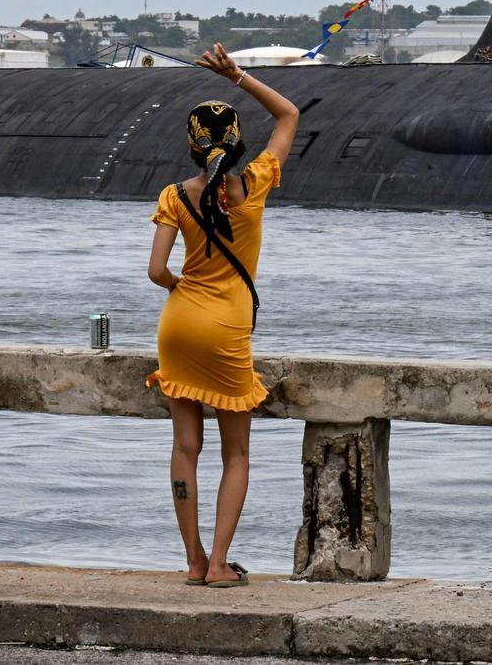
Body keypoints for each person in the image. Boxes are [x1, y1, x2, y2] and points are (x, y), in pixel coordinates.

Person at [145, 43, 299, 588]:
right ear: (236, 147)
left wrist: (183, 288)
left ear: (191, 147)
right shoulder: (253, 187)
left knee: (186, 448)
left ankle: (191, 560)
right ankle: (218, 565)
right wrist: (238, 77)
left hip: (178, 326)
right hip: (227, 331)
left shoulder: (173, 195)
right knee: (235, 453)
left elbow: (157, 271)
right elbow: (289, 114)